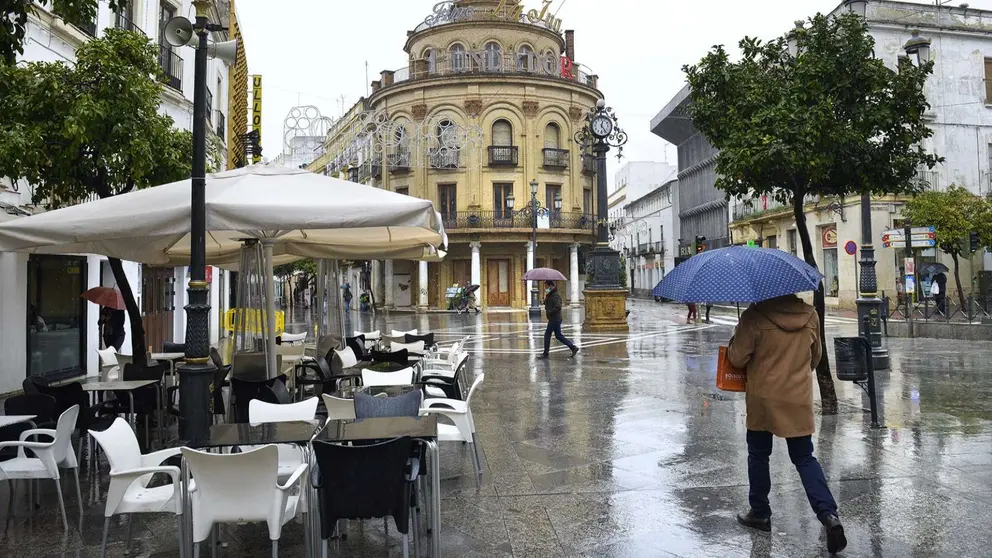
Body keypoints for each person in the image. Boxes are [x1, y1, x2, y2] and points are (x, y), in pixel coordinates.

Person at [727, 294, 846, 554]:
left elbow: (736, 358)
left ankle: (759, 512)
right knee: (804, 457)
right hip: (797, 398)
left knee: (758, 454)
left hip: (763, 398)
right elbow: (815, 359)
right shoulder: (810, 315)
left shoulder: (754, 316)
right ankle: (829, 515)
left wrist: (738, 335)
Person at [537, 280, 578, 359]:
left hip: (555, 318)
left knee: (547, 334)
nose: (545, 288)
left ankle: (545, 353)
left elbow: (558, 306)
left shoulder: (555, 295)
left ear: (550, 286)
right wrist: (545, 301)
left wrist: (549, 311)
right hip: (554, 318)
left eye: (546, 286)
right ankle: (573, 347)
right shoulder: (550, 294)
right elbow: (550, 303)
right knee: (558, 335)